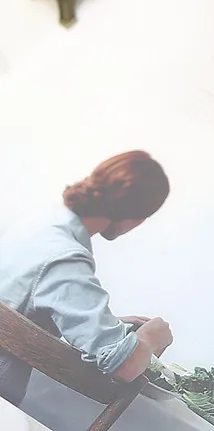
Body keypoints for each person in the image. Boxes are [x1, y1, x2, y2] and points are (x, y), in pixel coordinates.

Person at [0, 151, 174, 407]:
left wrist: (104, 323)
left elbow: (27, 301)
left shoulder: (41, 224)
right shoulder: (66, 259)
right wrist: (152, 337)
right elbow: (125, 366)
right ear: (135, 217)